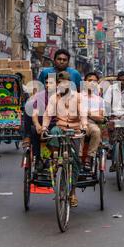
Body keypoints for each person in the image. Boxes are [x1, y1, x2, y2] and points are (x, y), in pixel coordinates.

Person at [42, 71, 87, 207]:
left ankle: (73, 193)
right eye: (60, 82)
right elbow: (47, 114)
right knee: (53, 131)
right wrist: (44, 127)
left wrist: (84, 126)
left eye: (65, 82)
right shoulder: (54, 98)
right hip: (60, 128)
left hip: (75, 130)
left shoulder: (78, 97)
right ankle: (56, 160)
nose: (62, 85)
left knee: (75, 161)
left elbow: (83, 113)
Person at [103, 71, 124, 172]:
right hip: (114, 114)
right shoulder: (111, 89)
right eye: (120, 80)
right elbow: (107, 103)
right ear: (117, 80)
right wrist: (109, 115)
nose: (122, 82)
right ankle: (113, 154)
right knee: (112, 135)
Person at [22, 74, 56, 169]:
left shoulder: (60, 96)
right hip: (42, 123)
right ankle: (38, 158)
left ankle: (50, 157)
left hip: (56, 124)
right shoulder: (39, 96)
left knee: (55, 132)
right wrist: (37, 124)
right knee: (33, 130)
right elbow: (35, 112)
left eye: (51, 83)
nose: (48, 85)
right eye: (46, 83)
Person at [80, 72, 105, 171]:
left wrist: (88, 113)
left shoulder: (100, 100)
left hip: (91, 123)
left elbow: (101, 117)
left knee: (96, 131)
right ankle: (78, 157)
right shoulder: (79, 96)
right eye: (90, 80)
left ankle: (89, 158)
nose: (92, 83)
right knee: (80, 131)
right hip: (78, 122)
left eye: (95, 81)